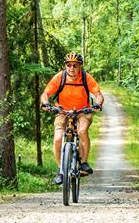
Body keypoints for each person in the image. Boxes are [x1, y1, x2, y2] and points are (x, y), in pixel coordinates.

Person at [40, 52, 105, 185]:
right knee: (58, 137)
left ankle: (84, 163)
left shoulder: (86, 77)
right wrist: (46, 103)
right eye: (69, 65)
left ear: (80, 66)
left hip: (83, 111)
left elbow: (98, 94)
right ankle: (60, 170)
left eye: (75, 65)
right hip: (62, 111)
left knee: (81, 132)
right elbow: (45, 93)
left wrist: (98, 104)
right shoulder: (60, 77)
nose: (72, 68)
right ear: (65, 66)